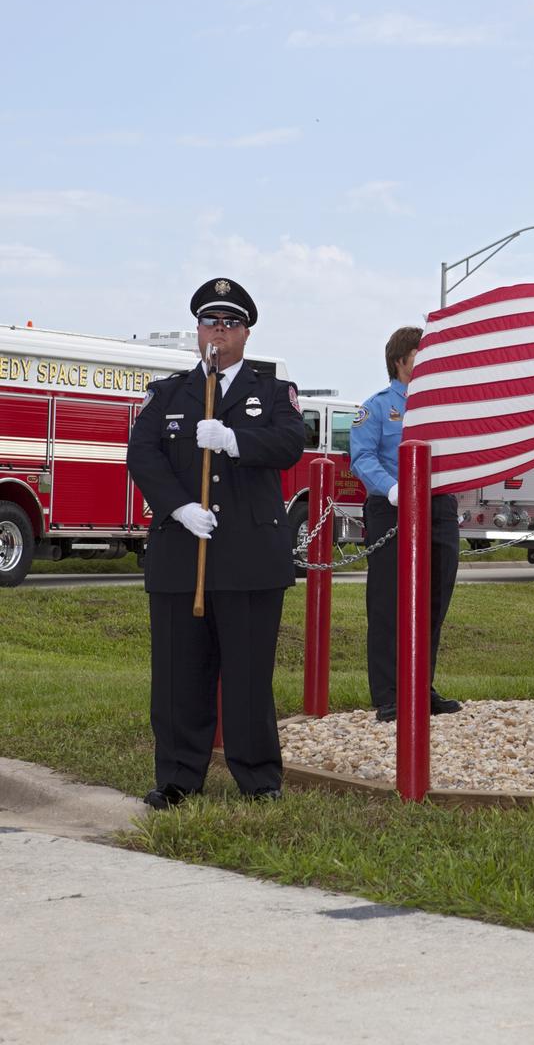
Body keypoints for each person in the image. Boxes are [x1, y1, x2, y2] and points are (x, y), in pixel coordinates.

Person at [127, 278, 304, 806]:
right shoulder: (168, 393)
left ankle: (259, 779)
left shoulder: (271, 391)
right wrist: (179, 507)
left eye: (230, 324)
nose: (218, 333)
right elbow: (143, 456)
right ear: (198, 331)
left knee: (249, 675)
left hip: (249, 557)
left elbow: (290, 443)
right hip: (183, 553)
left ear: (246, 333)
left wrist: (234, 440)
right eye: (210, 323)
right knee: (180, 676)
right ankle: (179, 777)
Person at [350, 326, 462, 723]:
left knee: (435, 600)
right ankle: (388, 693)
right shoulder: (377, 407)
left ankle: (421, 685)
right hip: (392, 508)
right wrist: (392, 488)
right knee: (388, 604)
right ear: (401, 360)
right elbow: (362, 458)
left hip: (438, 508)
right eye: (420, 352)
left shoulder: (442, 406)